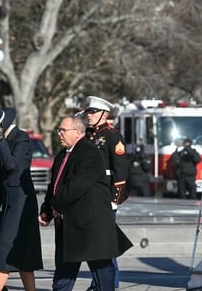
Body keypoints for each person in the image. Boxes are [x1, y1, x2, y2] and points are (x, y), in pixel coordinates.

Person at [38, 116, 133, 291]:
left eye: (63, 130)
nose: (59, 134)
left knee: (102, 270)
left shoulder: (90, 153)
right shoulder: (62, 155)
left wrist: (55, 205)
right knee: (64, 275)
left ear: (77, 133)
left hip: (91, 225)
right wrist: (47, 211)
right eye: (59, 130)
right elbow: (55, 185)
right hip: (69, 226)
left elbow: (77, 186)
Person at [0, 107, 43, 291]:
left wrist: (0, 141)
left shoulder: (21, 137)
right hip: (8, 202)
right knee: (22, 252)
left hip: (22, 202)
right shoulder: (0, 140)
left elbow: (11, 165)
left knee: (5, 247)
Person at [82, 95, 129, 290]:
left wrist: (114, 199)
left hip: (105, 198)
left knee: (106, 245)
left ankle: (109, 284)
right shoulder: (88, 135)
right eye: (88, 112)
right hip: (90, 197)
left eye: (93, 112)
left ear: (104, 113)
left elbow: (120, 170)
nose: (89, 115)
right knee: (95, 244)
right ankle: (98, 283)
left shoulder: (112, 136)